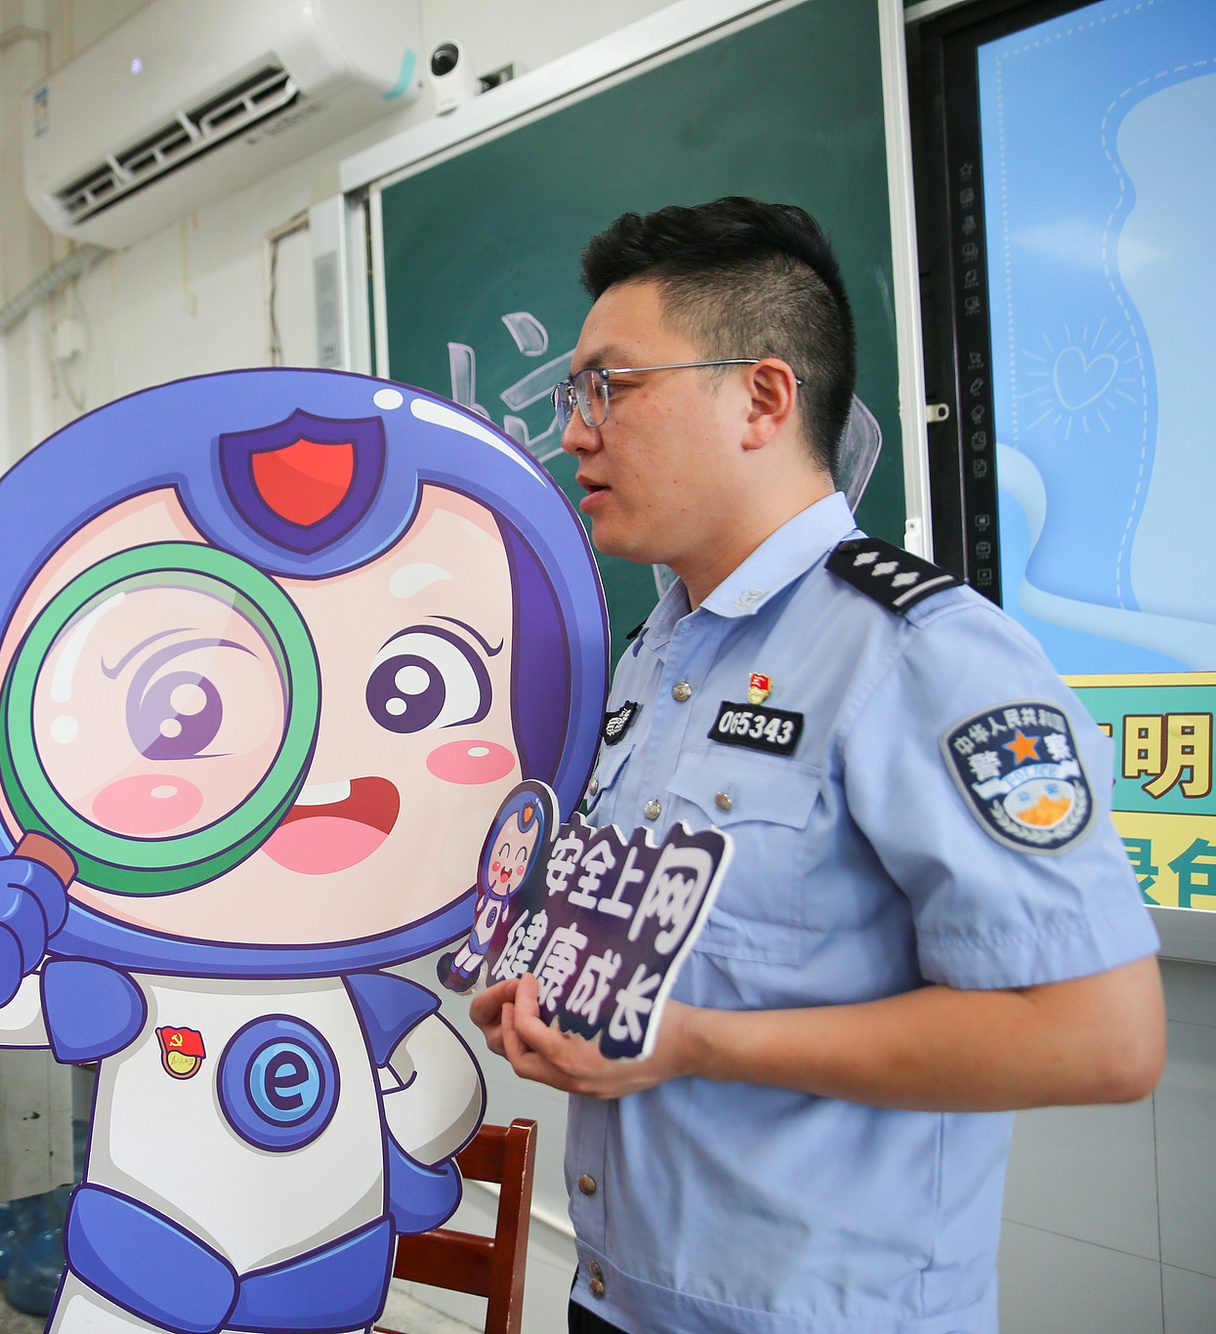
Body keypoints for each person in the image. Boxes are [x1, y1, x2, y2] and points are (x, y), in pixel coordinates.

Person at [467, 198, 1166, 1334]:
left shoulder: (922, 656)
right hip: (615, 1294)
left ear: (761, 397)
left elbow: (1102, 1036)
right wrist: (555, 988)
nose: (575, 433)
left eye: (609, 388)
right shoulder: (652, 654)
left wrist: (689, 1044)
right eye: (570, 398)